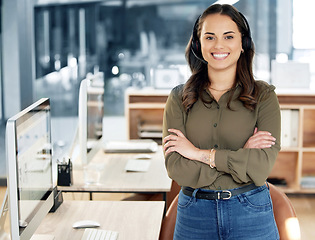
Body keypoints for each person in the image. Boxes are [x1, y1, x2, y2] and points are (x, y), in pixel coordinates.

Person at [162, 4, 281, 240]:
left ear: (243, 43)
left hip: (251, 212)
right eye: (209, 37)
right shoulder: (178, 98)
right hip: (194, 214)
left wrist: (198, 153)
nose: (219, 45)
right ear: (198, 44)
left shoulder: (264, 96)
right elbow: (176, 167)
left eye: (228, 36)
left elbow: (262, 165)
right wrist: (240, 158)